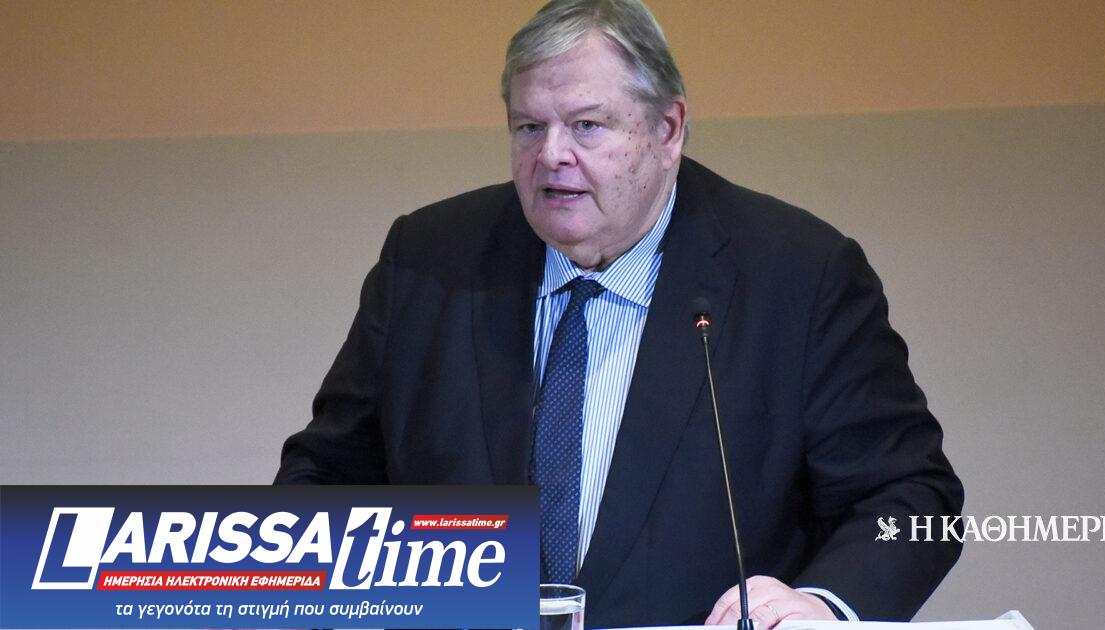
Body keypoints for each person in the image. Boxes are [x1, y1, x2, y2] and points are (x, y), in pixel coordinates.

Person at [275, 0, 963, 626]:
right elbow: (327, 476)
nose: (551, 156)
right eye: (529, 127)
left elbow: (912, 496)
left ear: (668, 129)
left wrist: (824, 603)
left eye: (587, 125)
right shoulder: (429, 260)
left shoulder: (798, 274)